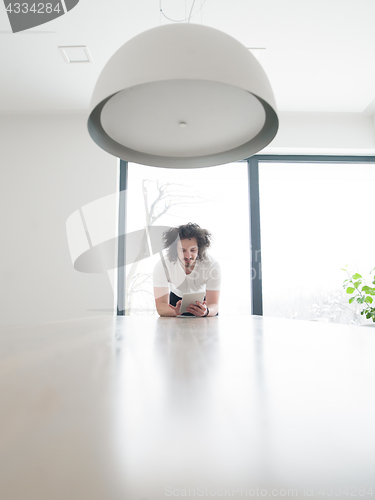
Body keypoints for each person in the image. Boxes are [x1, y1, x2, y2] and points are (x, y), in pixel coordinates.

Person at [153, 223, 220, 317]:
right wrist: (174, 312)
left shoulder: (212, 265)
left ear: (200, 249)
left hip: (202, 303)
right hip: (175, 302)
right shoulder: (163, 265)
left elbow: (214, 305)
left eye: (193, 250)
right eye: (182, 250)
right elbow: (161, 307)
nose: (188, 256)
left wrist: (206, 312)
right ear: (175, 250)